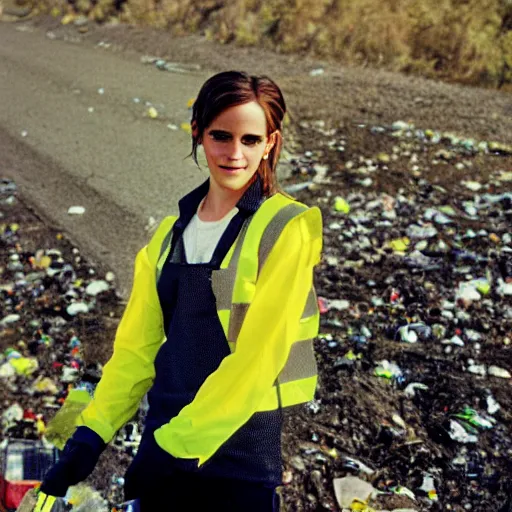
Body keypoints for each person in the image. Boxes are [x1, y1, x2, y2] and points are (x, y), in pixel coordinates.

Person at [38, 70, 323, 511]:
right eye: (220, 136)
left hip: (238, 461)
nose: (234, 153)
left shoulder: (287, 228)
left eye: (250, 140)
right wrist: (90, 436)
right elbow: (135, 352)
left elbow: (258, 359)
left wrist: (175, 446)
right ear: (198, 133)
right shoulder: (169, 236)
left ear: (270, 143)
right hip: (165, 444)